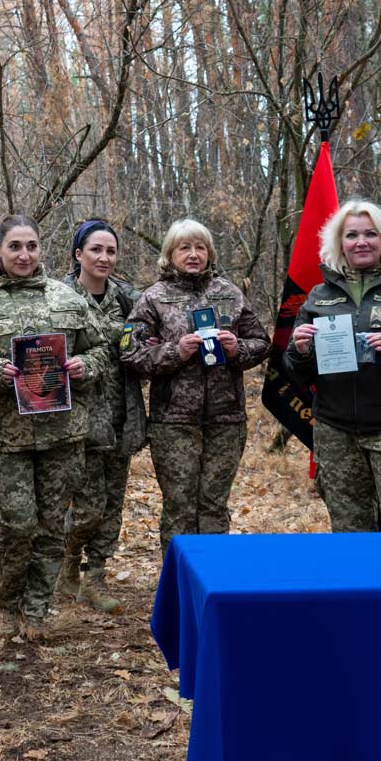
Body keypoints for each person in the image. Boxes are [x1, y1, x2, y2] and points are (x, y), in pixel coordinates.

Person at [0, 215, 111, 638]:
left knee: (52, 525)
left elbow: (101, 350)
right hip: (6, 437)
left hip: (63, 434)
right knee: (17, 524)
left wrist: (84, 365)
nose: (24, 255)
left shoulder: (67, 298)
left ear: (41, 249)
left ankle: (36, 611)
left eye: (31, 246)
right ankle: (9, 603)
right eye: (15, 246)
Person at [283, 200, 381, 532]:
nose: (361, 242)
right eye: (351, 235)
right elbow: (295, 371)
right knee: (350, 532)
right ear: (339, 242)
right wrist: (300, 350)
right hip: (335, 432)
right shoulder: (319, 295)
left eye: (370, 234)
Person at [123, 219, 270, 554]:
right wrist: (175, 351)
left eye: (200, 247)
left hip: (226, 420)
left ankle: (213, 578)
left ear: (210, 253)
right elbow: (130, 354)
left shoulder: (229, 293)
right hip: (173, 423)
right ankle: (179, 580)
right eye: (184, 247)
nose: (193, 254)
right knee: (179, 506)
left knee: (214, 504)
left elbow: (262, 343)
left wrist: (236, 349)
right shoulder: (153, 298)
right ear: (170, 254)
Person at [58, 220, 148, 613]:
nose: (104, 257)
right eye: (96, 249)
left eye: (110, 251)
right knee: (87, 506)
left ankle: (94, 577)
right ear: (79, 254)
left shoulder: (128, 299)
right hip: (78, 422)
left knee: (112, 506)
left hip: (120, 416)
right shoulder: (58, 297)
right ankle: (67, 564)